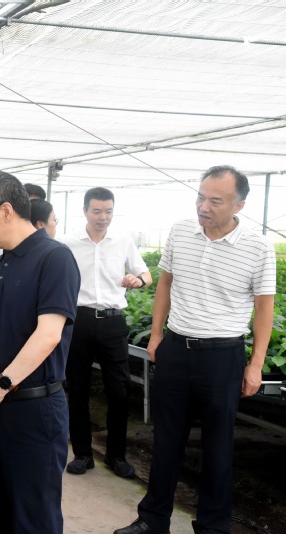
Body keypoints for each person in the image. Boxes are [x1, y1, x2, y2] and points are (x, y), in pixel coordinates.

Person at [115, 166, 276, 534]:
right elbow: (165, 283)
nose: (203, 206)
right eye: (200, 197)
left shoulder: (257, 247)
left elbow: (264, 308)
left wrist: (255, 364)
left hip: (222, 356)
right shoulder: (181, 231)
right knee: (166, 439)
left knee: (218, 447)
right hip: (176, 348)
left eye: (215, 201)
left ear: (239, 205)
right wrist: (156, 334)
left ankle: (212, 527)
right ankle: (152, 519)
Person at [0, 170, 80, 533]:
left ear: (6, 210)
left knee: (33, 516)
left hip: (33, 410)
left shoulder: (54, 258)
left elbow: (48, 335)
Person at [61, 187, 152, 478]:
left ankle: (116, 455)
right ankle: (83, 454)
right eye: (97, 211)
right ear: (85, 211)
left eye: (108, 211)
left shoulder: (123, 241)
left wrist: (137, 280)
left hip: (113, 323)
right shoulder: (67, 243)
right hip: (79, 321)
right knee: (78, 389)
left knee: (119, 390)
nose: (103, 217)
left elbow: (146, 275)